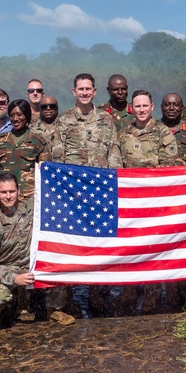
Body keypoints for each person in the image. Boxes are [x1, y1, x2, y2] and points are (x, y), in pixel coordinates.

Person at [51, 73, 122, 317]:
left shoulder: (106, 119)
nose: (84, 93)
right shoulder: (64, 121)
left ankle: (102, 295)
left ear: (94, 92)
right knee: (78, 247)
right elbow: (57, 158)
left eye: (88, 89)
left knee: (102, 245)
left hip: (101, 195)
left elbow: (114, 153)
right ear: (73, 92)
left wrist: (117, 184)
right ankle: (77, 300)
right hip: (74, 196)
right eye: (80, 89)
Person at [0, 173, 76, 327]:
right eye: (3, 192)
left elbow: (54, 192)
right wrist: (13, 278)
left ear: (19, 191)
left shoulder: (34, 207)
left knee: (59, 262)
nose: (8, 196)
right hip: (8, 269)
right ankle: (4, 312)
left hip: (33, 264)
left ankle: (53, 309)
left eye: (11, 191)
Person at [0, 99, 49, 201]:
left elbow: (45, 174)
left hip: (29, 198)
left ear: (27, 116)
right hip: (5, 198)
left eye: (19, 115)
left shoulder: (38, 142)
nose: (15, 119)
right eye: (12, 115)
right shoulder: (1, 140)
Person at [117, 90, 181, 168]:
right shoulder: (123, 133)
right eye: (137, 106)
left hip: (154, 179)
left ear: (152, 107)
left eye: (145, 106)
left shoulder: (163, 133)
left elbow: (168, 165)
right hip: (129, 179)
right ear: (131, 108)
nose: (141, 110)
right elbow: (116, 162)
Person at [160, 92, 186, 165]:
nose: (171, 108)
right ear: (162, 107)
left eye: (176, 105)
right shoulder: (152, 132)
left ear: (182, 107)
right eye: (167, 104)